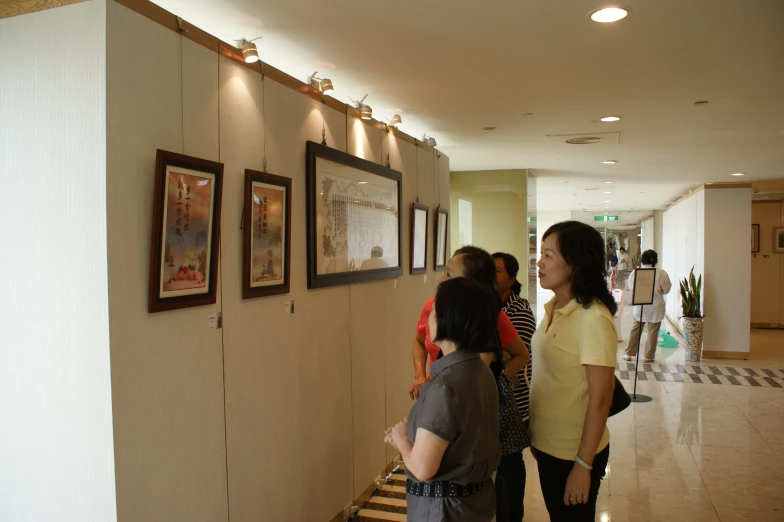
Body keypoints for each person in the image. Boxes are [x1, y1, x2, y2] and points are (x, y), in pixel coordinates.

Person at [410, 246, 530, 522]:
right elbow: (417, 341)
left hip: (474, 407)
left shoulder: (488, 316)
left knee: (486, 482)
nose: (442, 279)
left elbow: (521, 354)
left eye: (450, 273)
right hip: (444, 400)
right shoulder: (433, 306)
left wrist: (486, 381)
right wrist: (420, 376)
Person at [385, 277, 501, 522]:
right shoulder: (479, 369)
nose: (428, 317)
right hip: (473, 504)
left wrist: (402, 439)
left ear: (451, 319)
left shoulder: (445, 386)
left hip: (443, 510)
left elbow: (423, 469)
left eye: (434, 311)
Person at [530, 221, 617, 521]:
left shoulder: (592, 319)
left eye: (549, 255)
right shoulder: (554, 306)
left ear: (576, 264)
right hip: (548, 445)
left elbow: (601, 400)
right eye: (540, 253)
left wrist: (583, 464)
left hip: (574, 452)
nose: (539, 262)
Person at [493, 252, 536, 522]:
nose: (490, 275)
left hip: (512, 400)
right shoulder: (482, 306)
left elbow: (514, 356)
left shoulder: (517, 309)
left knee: (509, 462)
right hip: (488, 398)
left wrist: (486, 378)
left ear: (511, 279)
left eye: (497, 271)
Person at [623, 250, 672, 363]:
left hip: (640, 305)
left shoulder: (635, 272)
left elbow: (631, 287)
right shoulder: (661, 273)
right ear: (655, 260)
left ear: (642, 260)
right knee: (653, 332)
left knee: (635, 329)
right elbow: (667, 289)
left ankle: (629, 354)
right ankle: (648, 356)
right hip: (655, 306)